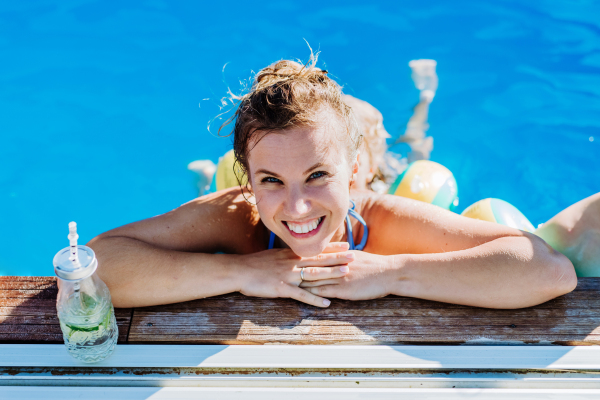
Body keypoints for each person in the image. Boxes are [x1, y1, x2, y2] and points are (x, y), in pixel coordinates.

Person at [88, 56, 576, 310]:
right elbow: (94, 268)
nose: (297, 207)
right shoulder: (239, 214)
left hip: (378, 178)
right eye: (271, 180)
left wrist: (391, 273)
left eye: (318, 175)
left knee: (415, 158)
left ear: (353, 172)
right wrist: (243, 272)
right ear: (250, 184)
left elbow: (549, 272)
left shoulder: (382, 221)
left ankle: (422, 102)